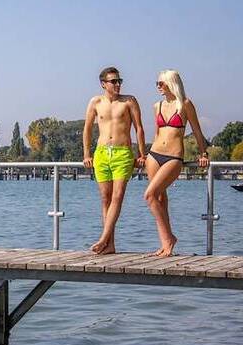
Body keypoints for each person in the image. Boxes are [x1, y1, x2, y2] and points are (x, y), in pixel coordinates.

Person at [144, 70, 209, 257]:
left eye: (161, 83)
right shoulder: (157, 106)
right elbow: (157, 133)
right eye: (157, 83)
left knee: (149, 195)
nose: (158, 86)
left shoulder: (185, 104)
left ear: (171, 83)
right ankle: (165, 244)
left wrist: (203, 153)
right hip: (154, 155)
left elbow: (197, 131)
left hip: (173, 157)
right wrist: (144, 155)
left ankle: (170, 239)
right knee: (159, 199)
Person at [83, 67, 146, 254]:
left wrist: (141, 154)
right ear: (104, 84)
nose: (118, 84)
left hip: (122, 153)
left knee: (117, 196)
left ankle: (103, 238)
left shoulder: (129, 101)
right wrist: (87, 154)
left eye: (120, 81)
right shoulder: (95, 102)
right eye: (114, 81)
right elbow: (87, 129)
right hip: (101, 153)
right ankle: (110, 245)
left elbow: (139, 128)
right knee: (105, 199)